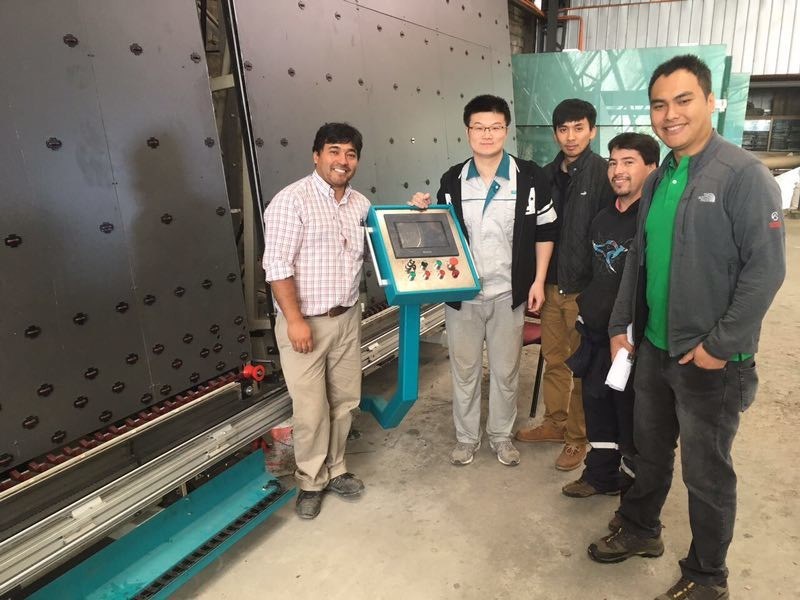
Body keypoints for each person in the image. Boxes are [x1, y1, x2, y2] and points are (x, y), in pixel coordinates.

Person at [587, 55, 785, 600]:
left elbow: (766, 271)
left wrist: (720, 347)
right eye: (659, 104)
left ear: (711, 102)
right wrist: (623, 323)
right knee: (647, 452)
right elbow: (639, 258)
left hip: (711, 362)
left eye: (683, 100)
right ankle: (641, 528)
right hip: (654, 347)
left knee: (706, 473)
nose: (670, 114)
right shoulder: (660, 177)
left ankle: (707, 576)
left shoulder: (743, 176)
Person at [410, 94, 556, 467]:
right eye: (479, 127)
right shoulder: (452, 180)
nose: (487, 134)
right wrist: (424, 213)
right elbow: (442, 235)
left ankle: (501, 437)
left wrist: (538, 281)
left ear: (506, 130)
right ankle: (466, 438)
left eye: (494, 127)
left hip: (509, 294)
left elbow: (545, 231)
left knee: (506, 372)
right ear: (468, 131)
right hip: (464, 296)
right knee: (465, 371)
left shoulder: (529, 177)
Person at [262, 123, 370, 519]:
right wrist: (294, 321)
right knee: (310, 409)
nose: (343, 161)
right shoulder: (292, 200)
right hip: (305, 322)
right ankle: (310, 480)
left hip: (346, 317)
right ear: (316, 155)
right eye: (334, 151)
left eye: (351, 154)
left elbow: (386, 242)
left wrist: (417, 210)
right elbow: (276, 266)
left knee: (345, 401)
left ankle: (336, 468)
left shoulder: (361, 204)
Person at [515, 99, 615, 472]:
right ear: (555, 133)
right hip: (550, 286)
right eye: (563, 129)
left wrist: (601, 290)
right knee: (554, 359)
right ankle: (555, 423)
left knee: (582, 366)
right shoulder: (544, 176)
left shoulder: (604, 174)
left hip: (585, 291)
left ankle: (577, 438)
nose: (570, 137)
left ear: (592, 131)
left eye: (578, 128)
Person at [561, 132, 659, 499]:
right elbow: (594, 272)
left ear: (652, 168)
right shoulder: (603, 217)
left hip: (634, 340)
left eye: (628, 162)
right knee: (597, 406)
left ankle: (634, 492)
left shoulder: (653, 221)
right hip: (595, 334)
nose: (618, 170)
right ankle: (600, 476)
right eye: (614, 162)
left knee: (631, 415)